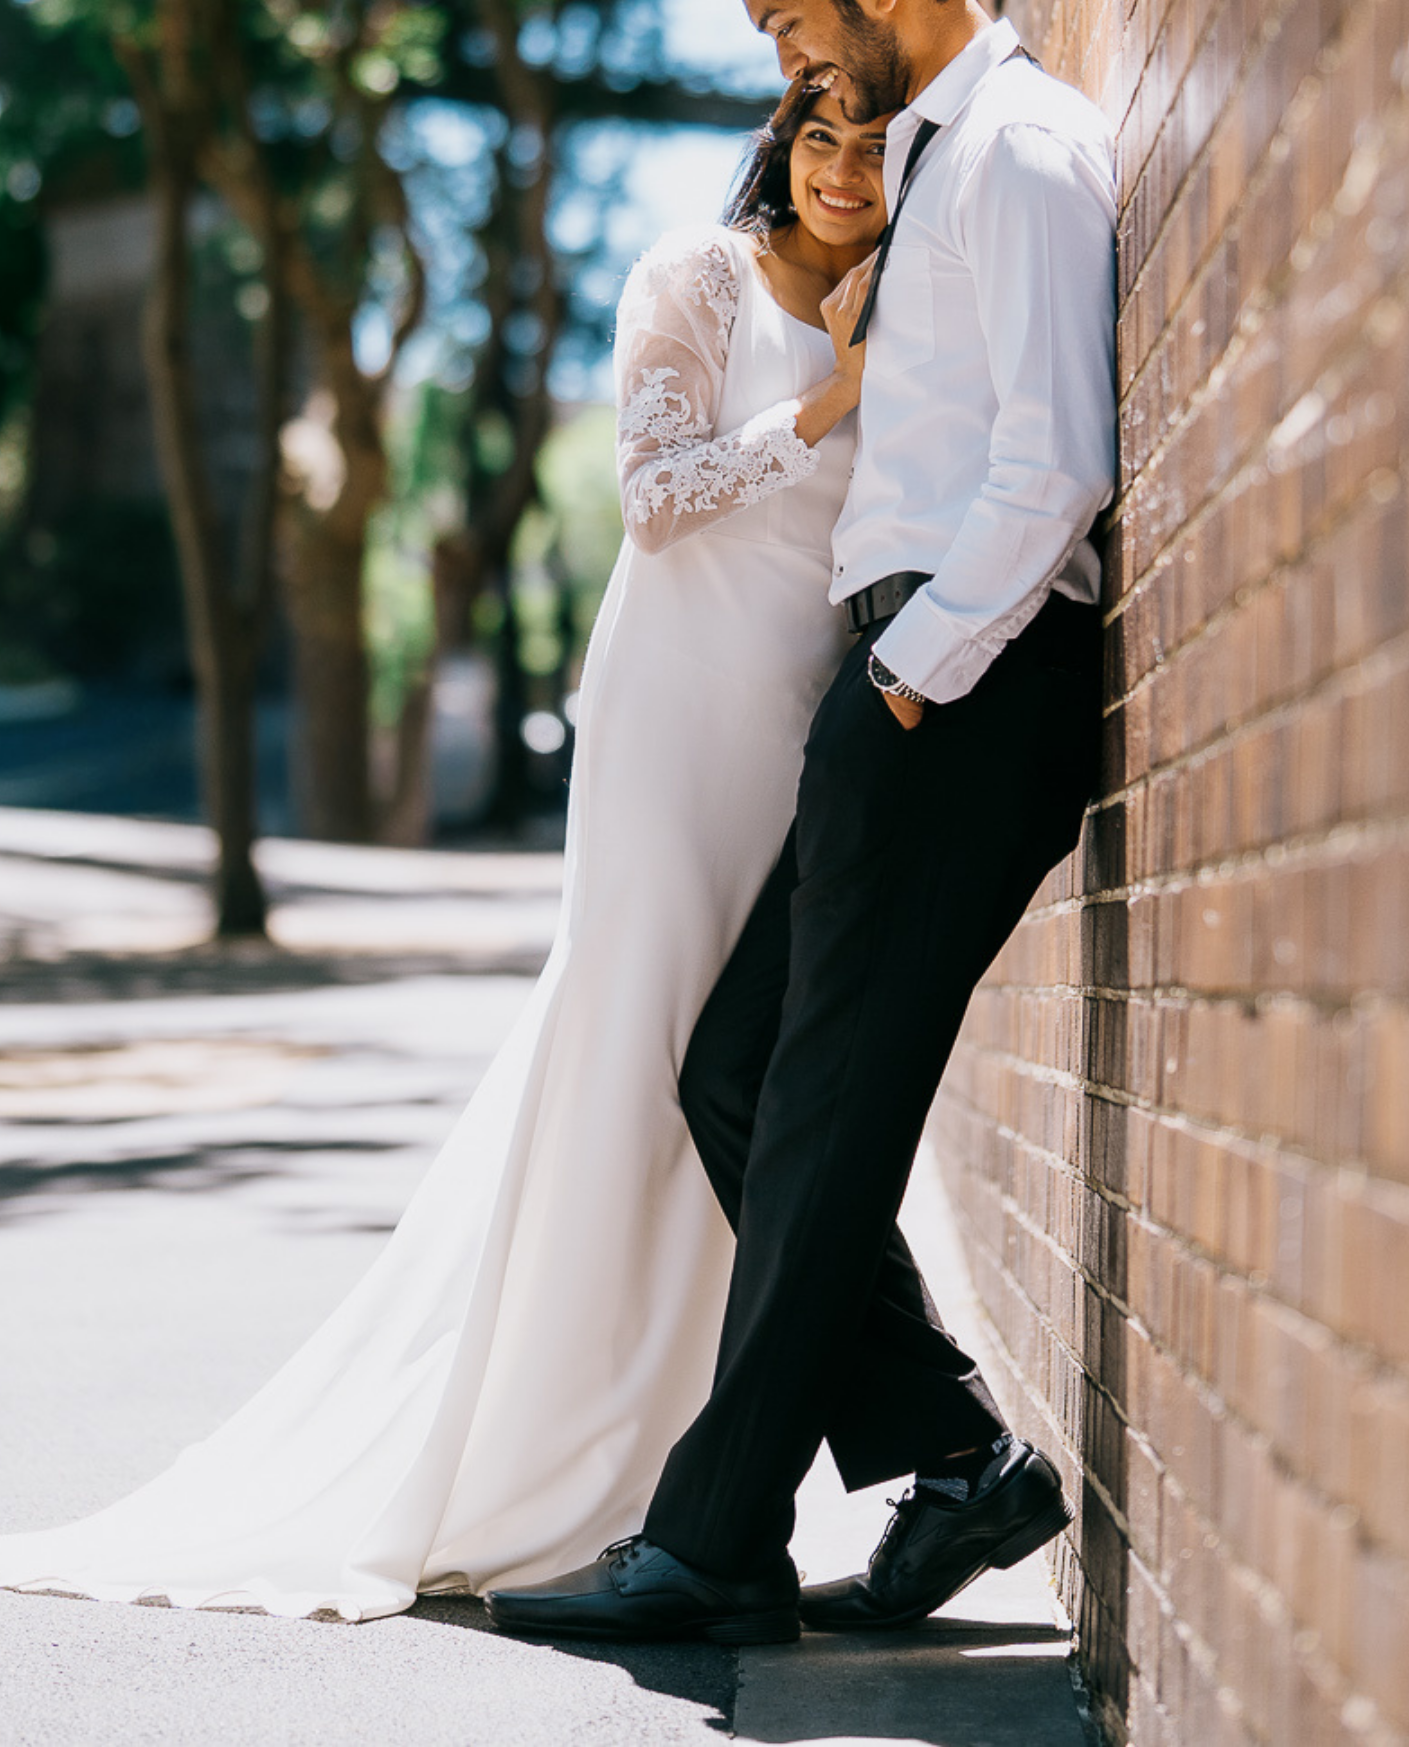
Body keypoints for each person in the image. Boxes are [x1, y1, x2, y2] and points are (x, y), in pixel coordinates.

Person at [0, 82, 888, 1622]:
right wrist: (832, 400)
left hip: (798, 731)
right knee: (633, 1049)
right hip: (675, 719)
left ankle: (684, 1464)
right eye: (820, 139)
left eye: (876, 149)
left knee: (741, 1084)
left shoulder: (903, 297)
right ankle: (542, 1447)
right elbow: (656, 496)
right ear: (779, 147)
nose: (844, 171)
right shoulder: (696, 272)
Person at [488, 0, 1118, 1649]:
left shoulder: (1013, 150)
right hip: (913, 681)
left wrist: (912, 678)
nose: (789, 74)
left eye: (787, 32)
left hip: (958, 687)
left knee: (817, 1097)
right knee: (743, 1074)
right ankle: (957, 1462)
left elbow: (1053, 461)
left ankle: (714, 1542)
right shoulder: (936, 157)